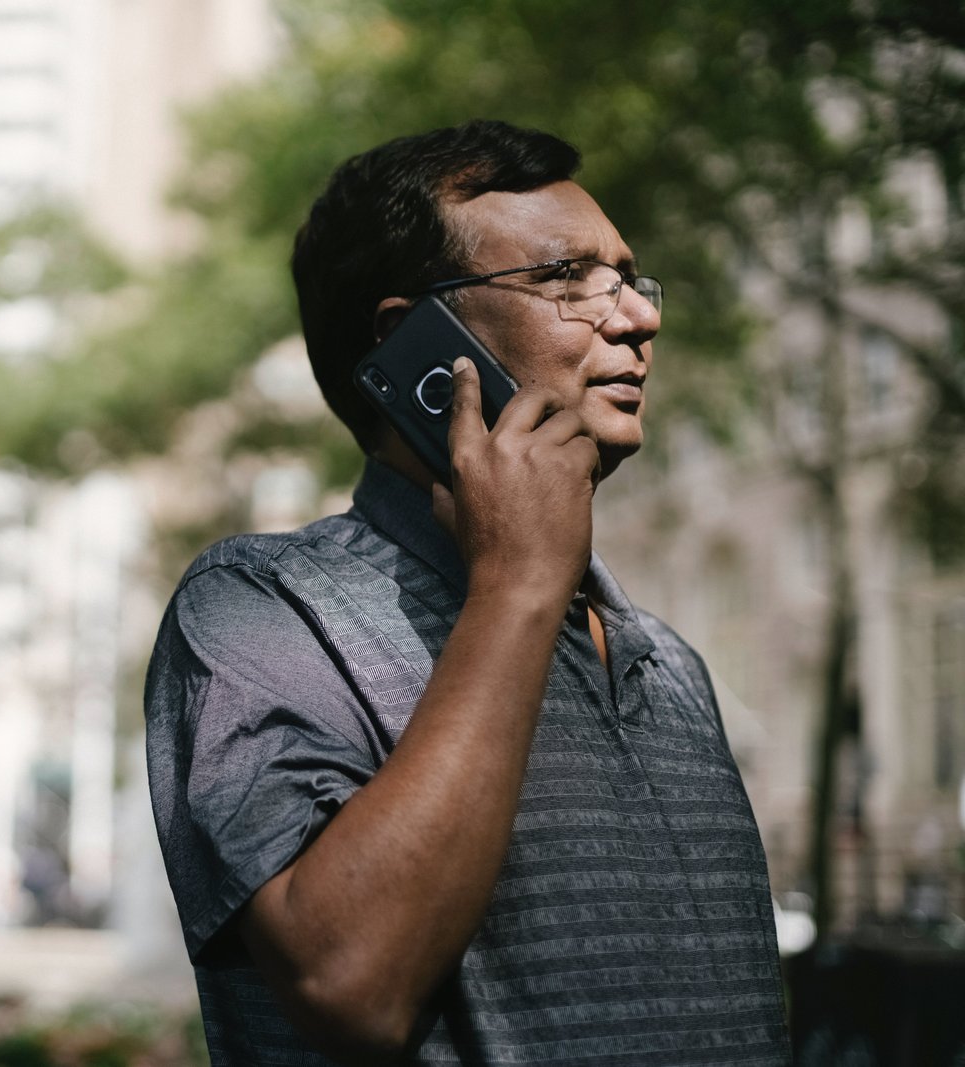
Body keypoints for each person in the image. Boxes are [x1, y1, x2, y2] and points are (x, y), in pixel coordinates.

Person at [143, 120, 792, 1066]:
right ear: (413, 341)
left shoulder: (671, 666)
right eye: (567, 277)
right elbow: (351, 984)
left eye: (627, 276)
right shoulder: (257, 607)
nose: (637, 316)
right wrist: (517, 582)